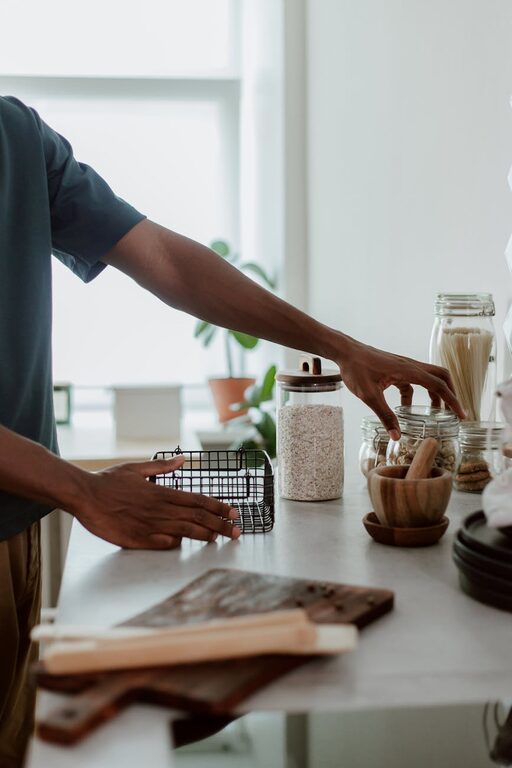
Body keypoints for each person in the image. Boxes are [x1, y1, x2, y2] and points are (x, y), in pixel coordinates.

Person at [0, 94, 463, 766]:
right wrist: (84, 490)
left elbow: (164, 258)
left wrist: (341, 347)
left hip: (21, 523)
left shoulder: (17, 135)